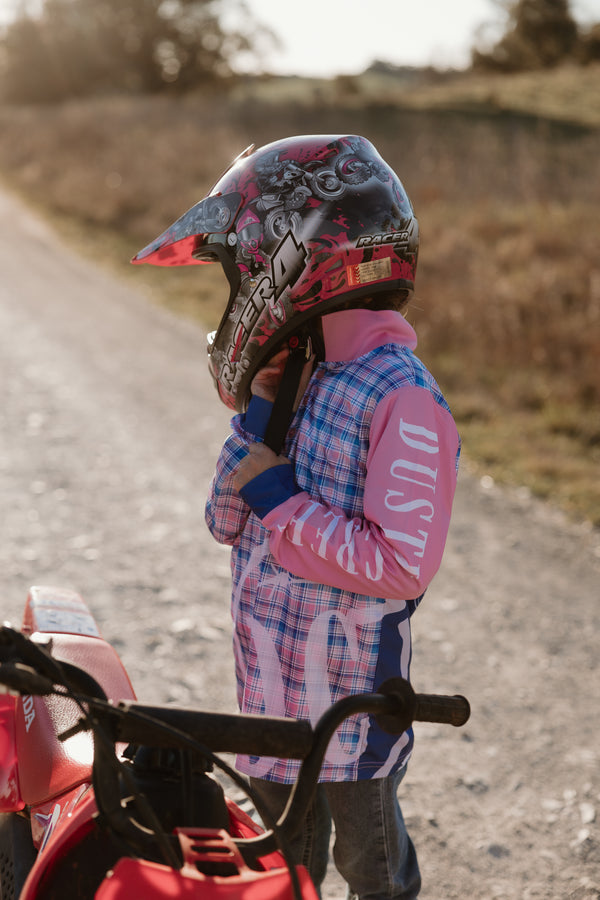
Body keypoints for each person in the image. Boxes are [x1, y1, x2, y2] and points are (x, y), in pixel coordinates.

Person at [133, 134, 460, 899]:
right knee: (283, 871)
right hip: (269, 706)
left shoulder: (400, 398)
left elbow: (400, 565)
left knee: (371, 870)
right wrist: (257, 417)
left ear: (291, 260)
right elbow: (224, 519)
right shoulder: (304, 373)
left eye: (240, 267)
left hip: (349, 717)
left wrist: (282, 499)